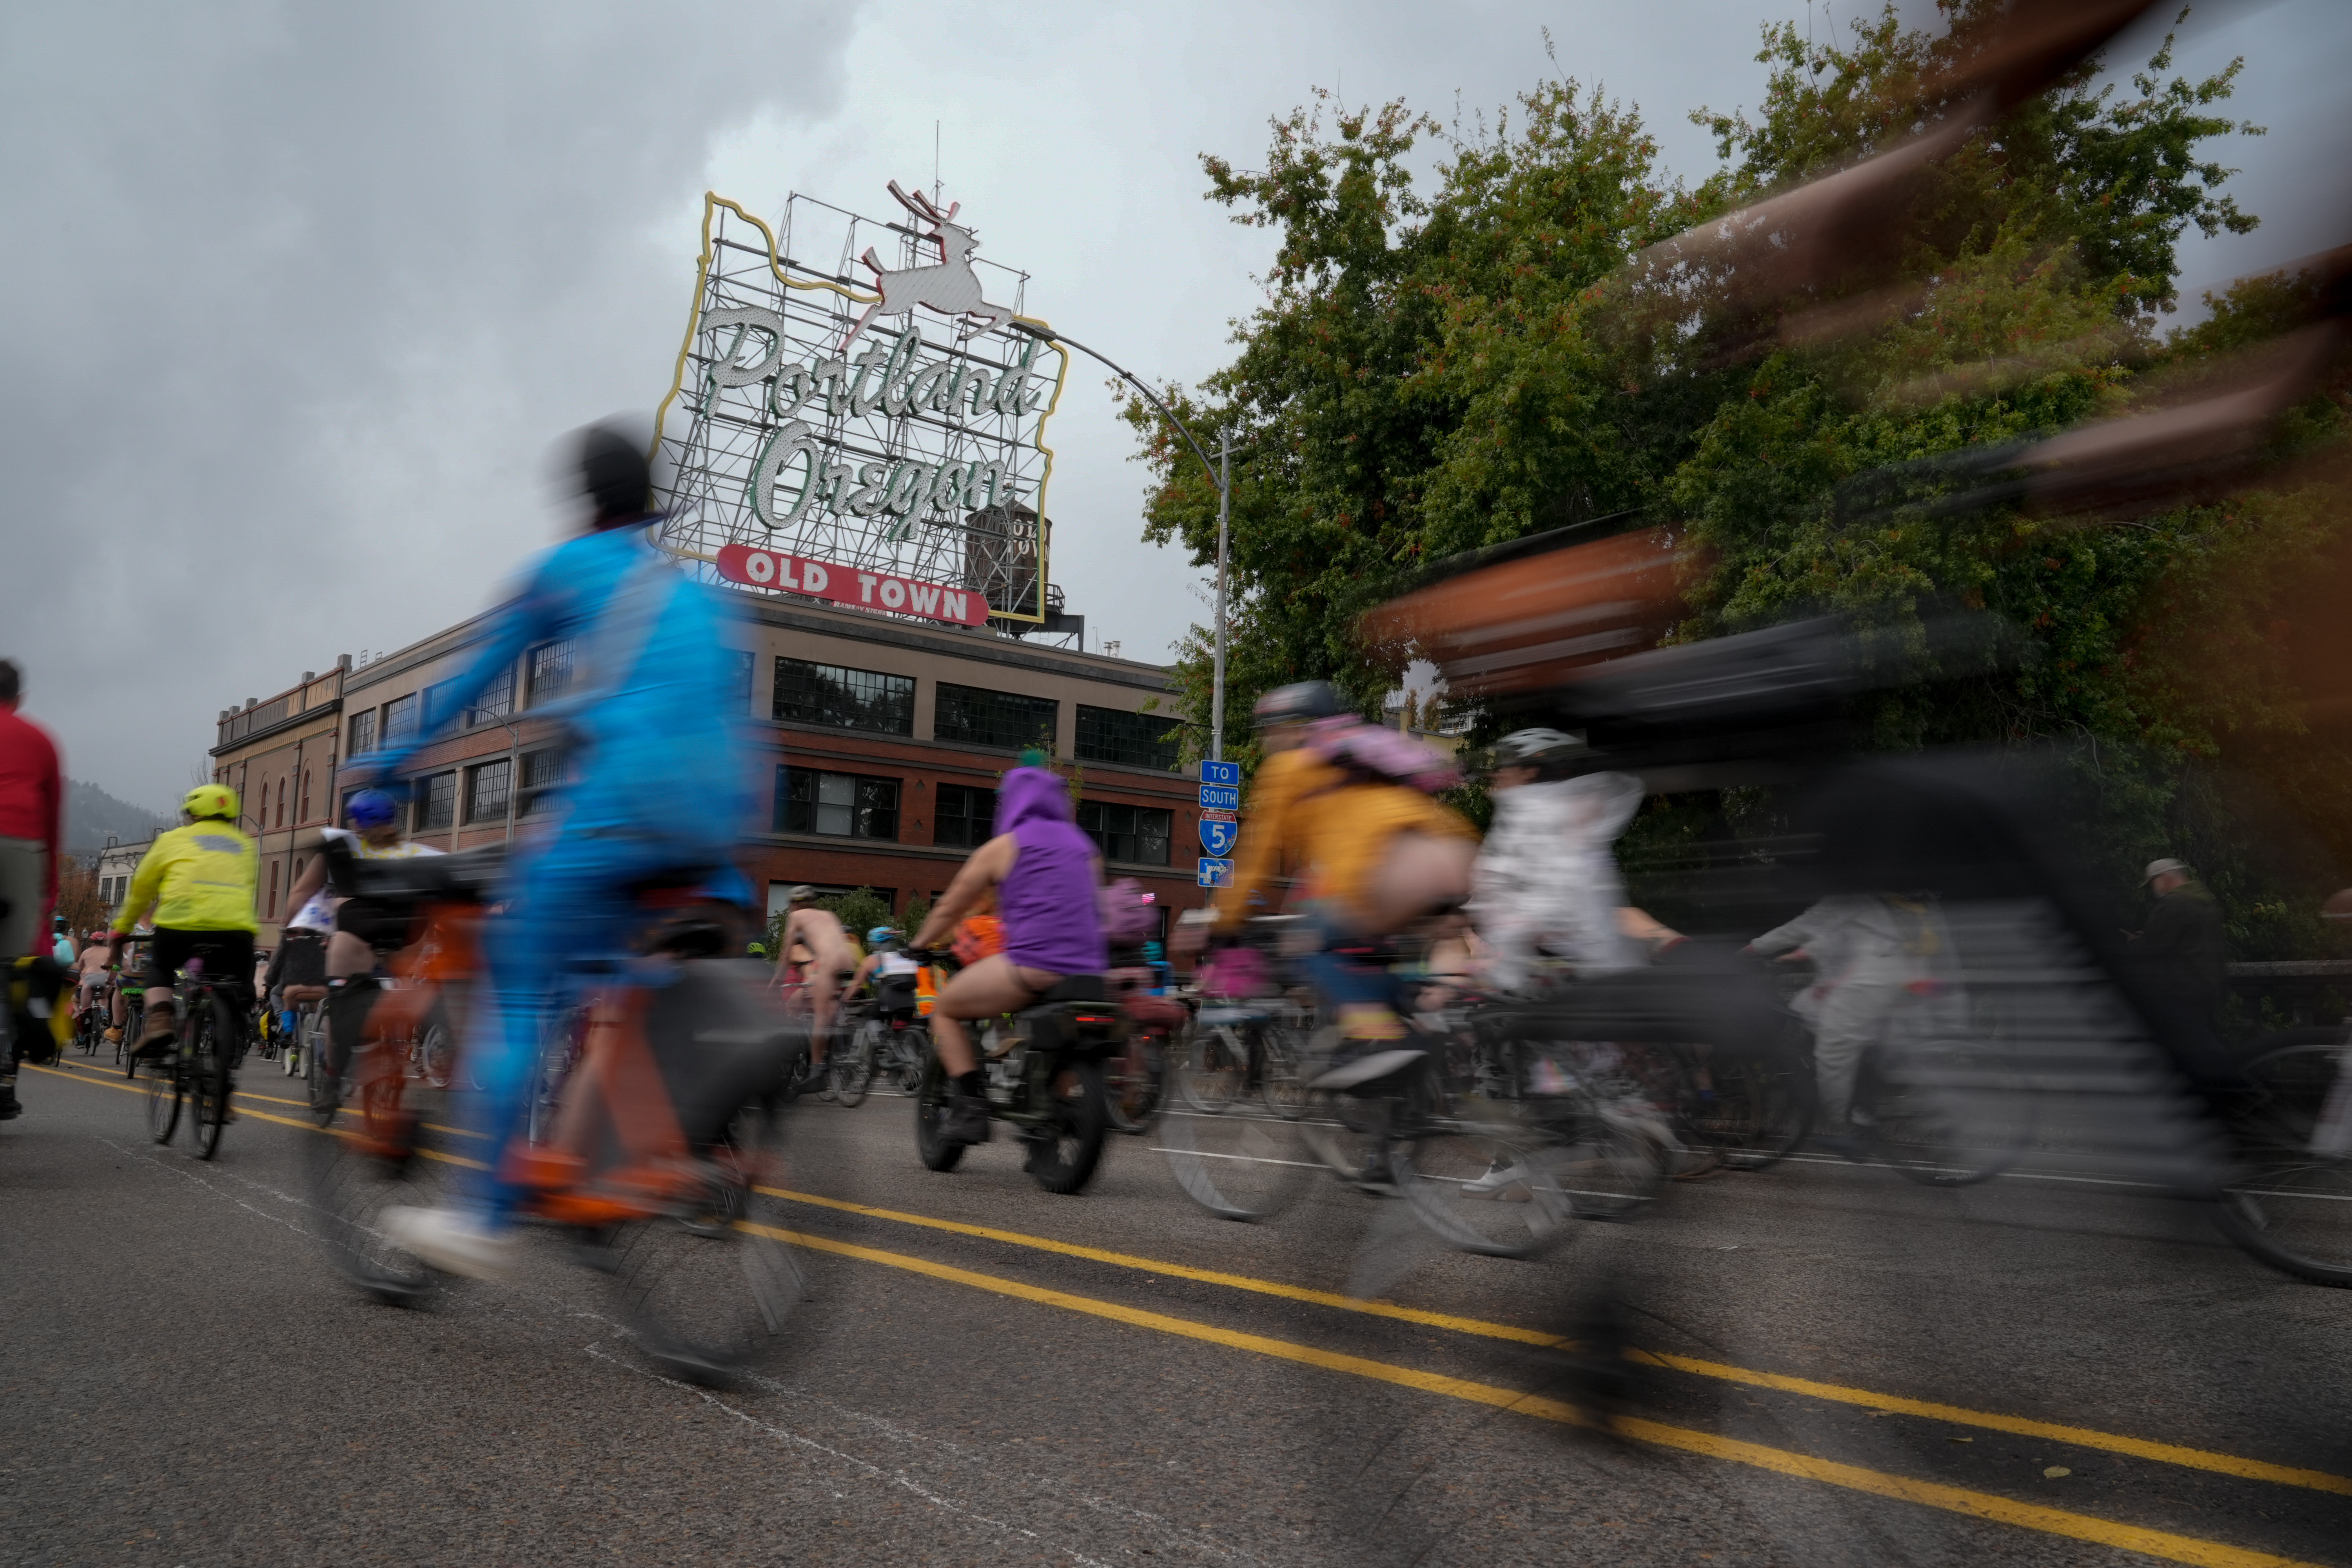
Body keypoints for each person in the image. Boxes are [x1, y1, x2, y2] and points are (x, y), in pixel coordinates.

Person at [364, 422, 755, 1279]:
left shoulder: (569, 569)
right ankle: (606, 1165)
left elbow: (475, 679)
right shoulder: (693, 593)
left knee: (515, 982)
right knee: (617, 985)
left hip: (627, 806)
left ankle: (480, 1215)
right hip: (717, 824)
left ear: (583, 496)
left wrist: (389, 763)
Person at [1214, 681, 1476, 1074]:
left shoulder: (1290, 766)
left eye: (1271, 729)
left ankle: (1382, 1040)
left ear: (1294, 727)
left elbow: (1259, 858)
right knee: (1379, 956)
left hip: (1390, 875)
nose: (1268, 740)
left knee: (1308, 944)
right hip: (1454, 858)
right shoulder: (1367, 746)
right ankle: (1422, 1024)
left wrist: (1223, 921)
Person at [910, 765, 1107, 1144]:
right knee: (1067, 1034)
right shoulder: (1086, 847)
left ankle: (970, 1108)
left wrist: (919, 944)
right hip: (1091, 975)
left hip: (1033, 965)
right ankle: (1048, 1108)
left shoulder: (1006, 846)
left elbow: (950, 908)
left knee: (945, 1009)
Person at [1747, 893, 1960, 1150]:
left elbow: (1805, 928)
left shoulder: (1850, 895)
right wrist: (1801, 956)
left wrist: (1750, 950)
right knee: (1879, 1049)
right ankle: (1877, 1117)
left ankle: (1844, 1126)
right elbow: (1838, 938)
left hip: (1880, 979)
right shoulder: (1901, 900)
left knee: (1834, 1049)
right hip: (1912, 976)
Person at [272, 787, 441, 1094]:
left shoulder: (341, 849)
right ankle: (403, 1042)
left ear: (356, 821)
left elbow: (300, 894)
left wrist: (290, 927)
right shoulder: (417, 853)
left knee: (341, 999)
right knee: (408, 989)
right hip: (409, 931)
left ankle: (333, 1080)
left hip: (359, 929)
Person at [1468, 727, 1661, 996]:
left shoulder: (1537, 818)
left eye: (1504, 765)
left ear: (1530, 770)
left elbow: (1544, 906)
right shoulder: (1535, 816)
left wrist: (1505, 971)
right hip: (1582, 975)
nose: (1495, 773)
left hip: (1578, 981)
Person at [105, 786, 260, 1109]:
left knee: (160, 965)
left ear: (192, 814)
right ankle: (224, 1072)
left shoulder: (172, 841)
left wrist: (121, 931)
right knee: (237, 990)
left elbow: (142, 891)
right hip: (236, 932)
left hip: (180, 925)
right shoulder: (245, 846)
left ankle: (161, 1020)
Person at [0, 659, 64, 1118]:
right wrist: (49, 892)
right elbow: (53, 823)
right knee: (11, 966)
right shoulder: (41, 740)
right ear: (18, 698)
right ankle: (6, 1072)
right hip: (22, 846)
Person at [773, 887, 858, 1071]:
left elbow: (786, 952)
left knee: (821, 1016)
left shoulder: (797, 917)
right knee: (831, 1009)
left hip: (828, 963)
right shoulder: (828, 915)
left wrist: (776, 980)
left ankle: (816, 1070)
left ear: (795, 905)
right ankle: (834, 1051)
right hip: (849, 962)